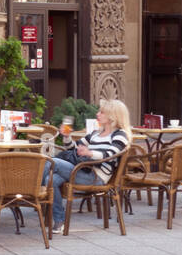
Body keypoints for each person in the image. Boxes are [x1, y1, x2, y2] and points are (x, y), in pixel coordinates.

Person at [47, 99, 131, 236]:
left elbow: (109, 154)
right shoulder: (96, 134)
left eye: (102, 112)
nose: (98, 114)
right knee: (52, 179)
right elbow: (74, 149)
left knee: (49, 162)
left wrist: (89, 153)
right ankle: (59, 220)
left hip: (96, 178)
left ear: (113, 116)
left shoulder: (120, 135)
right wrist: (67, 137)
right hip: (82, 171)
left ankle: (24, 188)